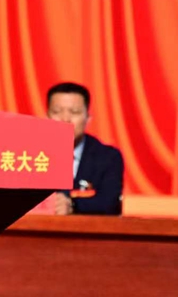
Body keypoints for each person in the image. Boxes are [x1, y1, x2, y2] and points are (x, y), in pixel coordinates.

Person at [46, 82, 124, 215]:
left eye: (74, 112)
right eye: (57, 112)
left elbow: (109, 202)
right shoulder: (28, 154)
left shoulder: (108, 157)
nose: (65, 119)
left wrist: (72, 205)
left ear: (88, 118)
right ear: (47, 117)